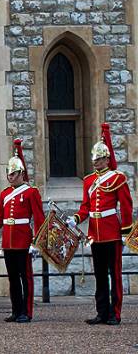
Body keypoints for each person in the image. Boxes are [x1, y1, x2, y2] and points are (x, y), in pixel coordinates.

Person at [69, 132, 133, 326]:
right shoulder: (88, 181)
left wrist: (124, 233)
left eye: (99, 159)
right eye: (94, 159)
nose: (96, 162)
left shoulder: (117, 178)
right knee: (100, 276)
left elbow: (126, 206)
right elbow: (86, 206)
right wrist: (76, 218)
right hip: (95, 234)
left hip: (112, 232)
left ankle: (115, 313)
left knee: (115, 275)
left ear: (107, 159)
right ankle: (102, 312)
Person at [0, 156, 44, 323]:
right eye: (9, 173)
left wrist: (36, 242)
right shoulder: (5, 194)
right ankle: (16, 310)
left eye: (14, 173)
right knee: (13, 278)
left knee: (26, 278)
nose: (10, 176)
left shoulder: (31, 192)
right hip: (8, 242)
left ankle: (27, 311)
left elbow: (39, 218)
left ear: (21, 174)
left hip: (23, 241)